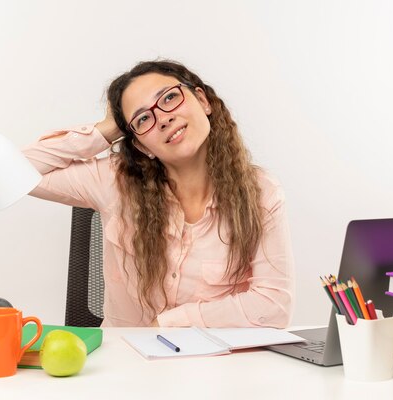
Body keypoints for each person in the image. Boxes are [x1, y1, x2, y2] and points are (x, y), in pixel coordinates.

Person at [23, 60, 294, 327]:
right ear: (141, 146)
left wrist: (174, 322)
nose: (163, 119)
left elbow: (274, 306)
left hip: (217, 363)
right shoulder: (114, 181)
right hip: (127, 361)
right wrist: (106, 129)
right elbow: (13, 172)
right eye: (143, 119)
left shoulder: (260, 193)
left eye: (169, 98)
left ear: (203, 101)